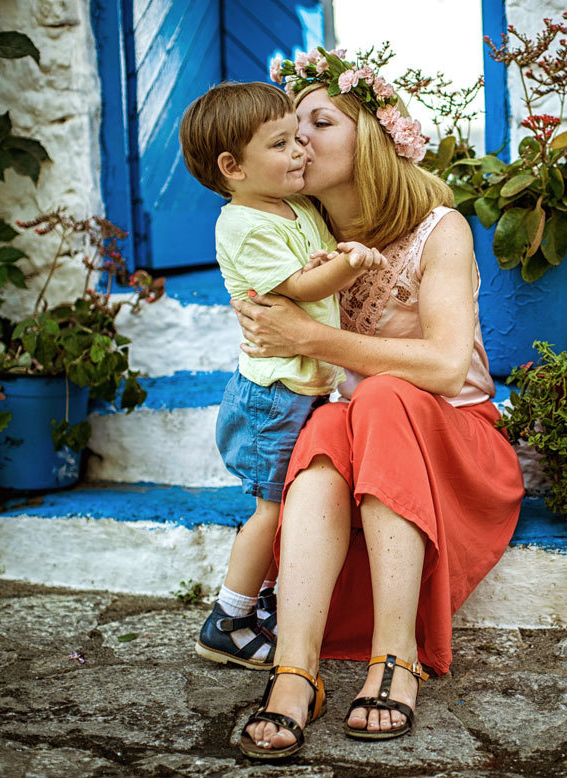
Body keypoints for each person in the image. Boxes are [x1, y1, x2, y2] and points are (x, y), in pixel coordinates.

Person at [232, 49, 525, 760]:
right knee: (333, 418)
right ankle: (293, 670)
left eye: (320, 122)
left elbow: (446, 364)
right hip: (369, 444)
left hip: (456, 443)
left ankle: (396, 656)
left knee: (386, 395)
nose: (298, 138)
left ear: (372, 137)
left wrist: (310, 333)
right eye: (289, 128)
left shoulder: (439, 228)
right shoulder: (304, 244)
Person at [177, 81, 386, 671]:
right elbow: (300, 286)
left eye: (300, 138)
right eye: (281, 144)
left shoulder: (294, 207)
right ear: (232, 167)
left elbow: (308, 262)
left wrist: (329, 256)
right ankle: (229, 617)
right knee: (271, 507)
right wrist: (350, 262)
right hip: (272, 396)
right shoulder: (242, 224)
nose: (300, 152)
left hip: (303, 386)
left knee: (299, 499)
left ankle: (265, 602)